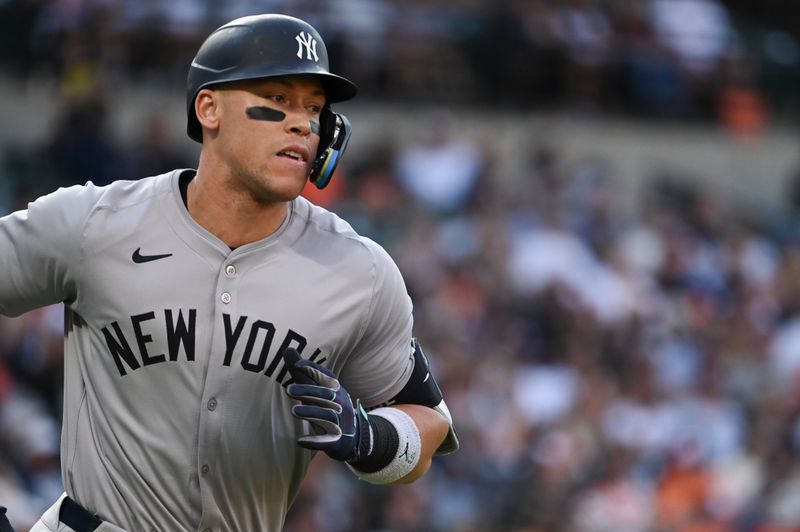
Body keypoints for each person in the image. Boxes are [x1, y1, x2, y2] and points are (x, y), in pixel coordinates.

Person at [0, 14, 458, 532]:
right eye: (279, 99)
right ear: (209, 107)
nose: (302, 123)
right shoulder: (94, 223)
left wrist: (372, 438)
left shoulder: (359, 270)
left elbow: (430, 421)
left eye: (314, 107)